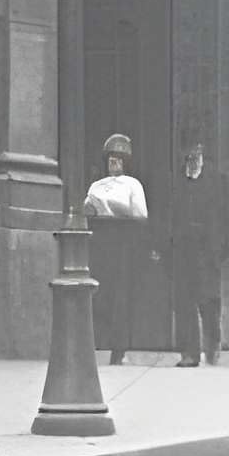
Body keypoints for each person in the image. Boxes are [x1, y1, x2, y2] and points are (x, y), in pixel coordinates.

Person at [81, 134, 153, 366]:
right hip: (100, 242)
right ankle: (96, 343)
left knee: (121, 296)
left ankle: (118, 348)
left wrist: (118, 209)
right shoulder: (97, 186)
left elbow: (141, 215)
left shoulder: (133, 184)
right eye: (111, 160)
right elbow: (86, 208)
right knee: (100, 292)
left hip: (123, 242)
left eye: (119, 160)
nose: (114, 164)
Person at [163, 141, 229, 366]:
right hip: (183, 250)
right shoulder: (177, 181)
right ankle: (189, 353)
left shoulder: (217, 180)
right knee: (184, 303)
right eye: (188, 152)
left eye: (196, 152)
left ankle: (212, 345)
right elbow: (169, 214)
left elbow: (228, 215)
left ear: (202, 154)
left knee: (209, 300)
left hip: (208, 251)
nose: (192, 157)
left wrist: (227, 248)